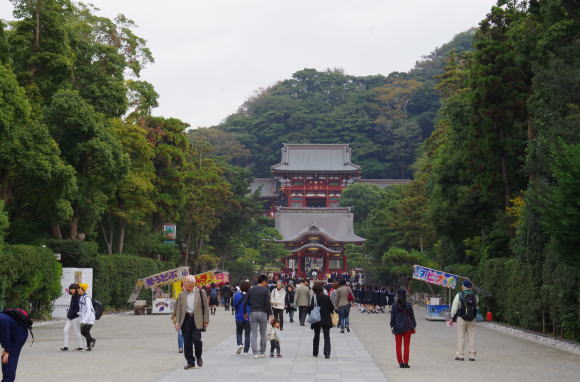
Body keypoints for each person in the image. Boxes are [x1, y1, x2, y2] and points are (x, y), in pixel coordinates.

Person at [174, 275, 210, 369]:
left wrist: (206, 321)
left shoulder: (201, 292)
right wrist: (177, 322)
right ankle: (190, 362)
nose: (184, 284)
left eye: (185, 282)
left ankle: (199, 356)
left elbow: (206, 308)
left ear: (192, 283)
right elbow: (178, 309)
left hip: (197, 319)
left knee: (197, 340)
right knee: (187, 342)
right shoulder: (182, 294)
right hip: (186, 320)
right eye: (184, 282)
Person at [242, 274, 273, 359]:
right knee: (263, 333)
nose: (267, 284)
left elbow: (244, 302)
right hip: (263, 313)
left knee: (254, 334)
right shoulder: (266, 290)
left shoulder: (251, 290)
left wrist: (245, 312)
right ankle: (262, 352)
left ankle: (255, 353)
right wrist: (270, 314)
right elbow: (267, 303)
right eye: (266, 282)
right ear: (263, 282)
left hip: (253, 313)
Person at [449, 279, 478, 361]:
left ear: (464, 286)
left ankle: (460, 355)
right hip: (472, 319)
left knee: (461, 337)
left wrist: (451, 317)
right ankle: (472, 355)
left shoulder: (459, 295)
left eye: (462, 285)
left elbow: (454, 307)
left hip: (461, 318)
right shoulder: (475, 296)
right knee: (471, 337)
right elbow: (476, 305)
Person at [390, 288, 416, 368]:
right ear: (405, 295)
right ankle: (406, 363)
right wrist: (414, 325)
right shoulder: (408, 305)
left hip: (397, 327)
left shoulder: (394, 306)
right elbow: (412, 317)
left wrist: (392, 326)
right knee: (406, 346)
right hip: (407, 327)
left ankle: (400, 363)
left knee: (398, 346)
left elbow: (392, 318)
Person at [0, 309, 29, 382]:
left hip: (19, 335)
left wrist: (7, 350)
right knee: (5, 355)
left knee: (9, 358)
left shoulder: (2, 320)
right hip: (12, 332)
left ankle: (8, 379)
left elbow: (5, 335)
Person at [308, 283, 334, 359]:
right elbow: (331, 308)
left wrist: (311, 314)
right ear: (322, 290)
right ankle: (327, 353)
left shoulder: (314, 298)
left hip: (317, 319)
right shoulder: (327, 297)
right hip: (326, 318)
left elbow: (310, 308)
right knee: (327, 336)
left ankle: (315, 352)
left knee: (316, 335)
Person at [61, 283, 84, 351]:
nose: (71, 290)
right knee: (65, 330)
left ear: (76, 289)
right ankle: (65, 346)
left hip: (75, 317)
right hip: (69, 316)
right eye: (70, 289)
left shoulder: (78, 297)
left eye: (73, 289)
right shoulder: (73, 296)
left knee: (77, 331)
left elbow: (77, 307)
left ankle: (80, 346)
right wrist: (67, 291)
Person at [233, 281, 251, 355]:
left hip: (239, 316)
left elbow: (234, 306)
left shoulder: (236, 295)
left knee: (239, 331)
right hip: (248, 317)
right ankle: (246, 351)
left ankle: (240, 344)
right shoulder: (251, 295)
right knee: (247, 334)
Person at [78, 283, 96, 351]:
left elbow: (88, 311)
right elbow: (82, 309)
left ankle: (89, 347)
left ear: (83, 289)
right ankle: (92, 340)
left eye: (79, 289)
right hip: (84, 318)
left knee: (86, 331)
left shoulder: (87, 298)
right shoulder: (81, 297)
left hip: (90, 318)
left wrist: (84, 320)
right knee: (82, 331)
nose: (78, 290)